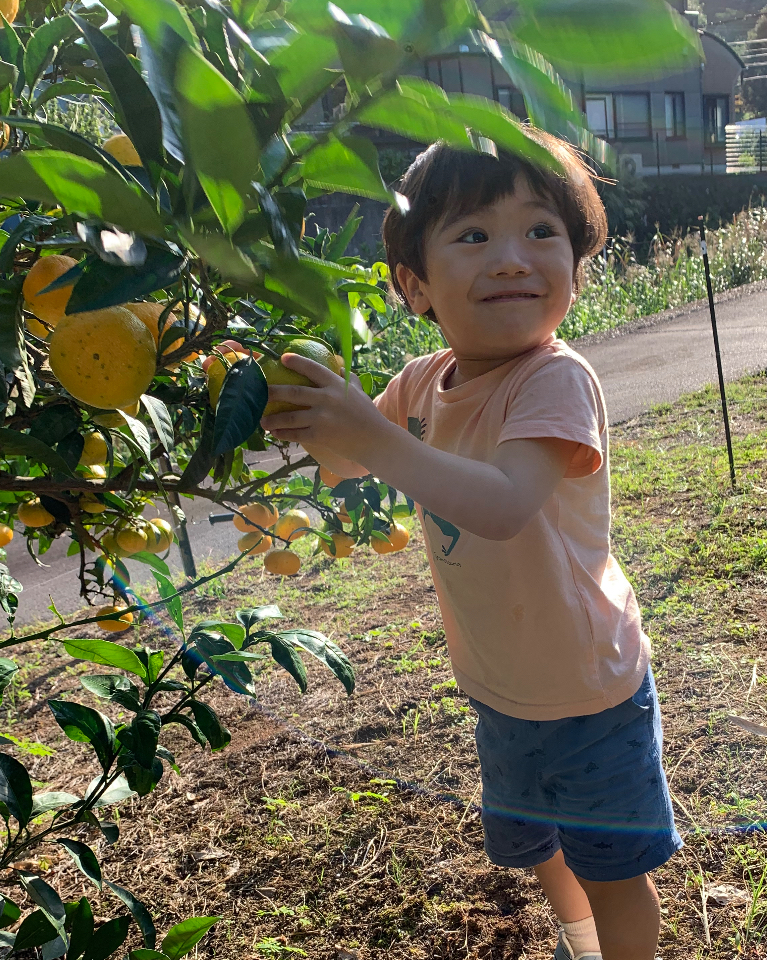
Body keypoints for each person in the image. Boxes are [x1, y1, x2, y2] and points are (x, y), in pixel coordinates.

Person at [259, 128, 680, 960]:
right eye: (475, 236)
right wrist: (289, 405)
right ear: (414, 285)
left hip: (589, 686)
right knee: (541, 842)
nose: (513, 258)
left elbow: (504, 503)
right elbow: (346, 457)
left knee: (614, 863)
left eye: (540, 232)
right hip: (500, 681)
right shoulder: (421, 382)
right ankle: (579, 942)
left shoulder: (555, 379)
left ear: (576, 267)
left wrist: (376, 442)